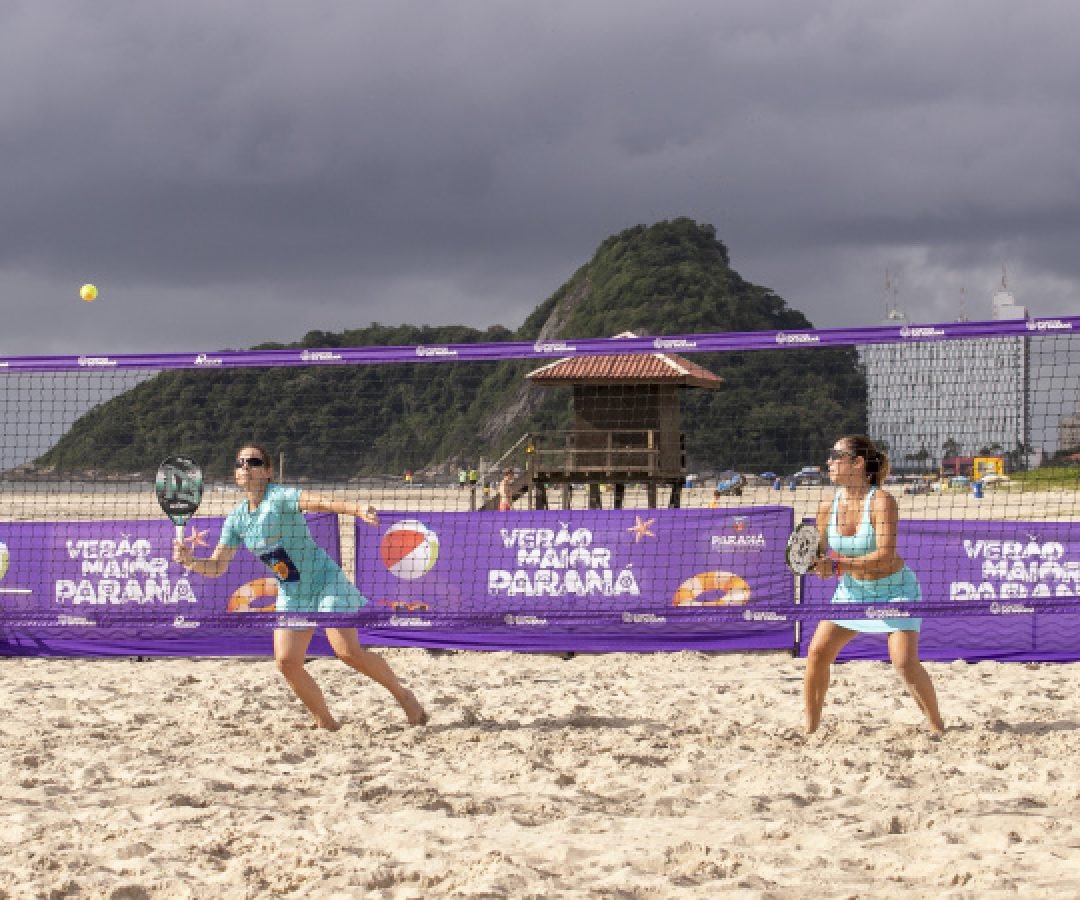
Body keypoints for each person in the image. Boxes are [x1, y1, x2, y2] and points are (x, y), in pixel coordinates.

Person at [173, 444, 428, 730]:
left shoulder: (279, 497)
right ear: (235, 474)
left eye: (254, 462)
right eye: (240, 462)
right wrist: (192, 561)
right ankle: (326, 721)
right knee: (286, 661)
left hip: (324, 582)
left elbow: (321, 502)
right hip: (292, 591)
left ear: (268, 471)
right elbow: (218, 565)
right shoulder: (236, 519)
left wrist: (356, 509)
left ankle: (404, 697)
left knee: (348, 653)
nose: (246, 466)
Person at [803, 434, 944, 735]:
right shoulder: (827, 506)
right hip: (853, 591)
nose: (828, 462)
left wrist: (838, 565)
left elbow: (884, 555)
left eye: (835, 455)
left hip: (895, 590)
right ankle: (810, 730)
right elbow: (818, 552)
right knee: (817, 654)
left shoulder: (881, 501)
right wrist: (817, 564)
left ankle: (936, 726)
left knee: (904, 663)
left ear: (857, 463)